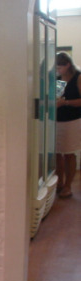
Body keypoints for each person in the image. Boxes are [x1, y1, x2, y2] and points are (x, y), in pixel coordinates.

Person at [55, 51, 81, 198]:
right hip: (57, 119)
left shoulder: (78, 77)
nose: (58, 70)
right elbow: (57, 95)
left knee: (69, 154)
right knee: (57, 153)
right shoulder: (58, 78)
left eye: (60, 67)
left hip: (72, 120)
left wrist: (65, 102)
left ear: (68, 65)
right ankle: (59, 182)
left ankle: (68, 186)